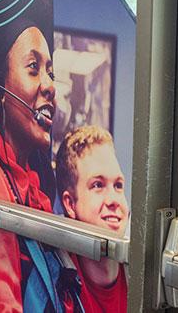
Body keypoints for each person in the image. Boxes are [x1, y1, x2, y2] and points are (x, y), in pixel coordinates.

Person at [56, 126, 129, 313]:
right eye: (98, 185)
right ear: (71, 204)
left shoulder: (143, 275)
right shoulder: (55, 281)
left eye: (118, 185)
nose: (114, 200)